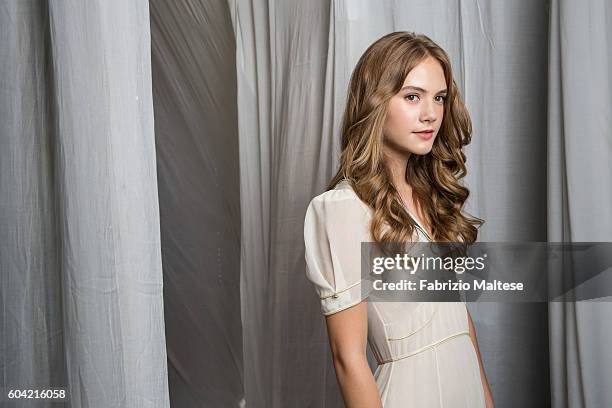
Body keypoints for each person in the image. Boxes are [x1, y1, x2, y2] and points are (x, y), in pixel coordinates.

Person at [303, 31, 495, 407]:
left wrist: (486, 400)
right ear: (375, 102)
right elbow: (348, 359)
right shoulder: (342, 208)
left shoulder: (431, 196)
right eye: (412, 96)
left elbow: (459, 322)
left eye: (439, 98)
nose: (431, 114)